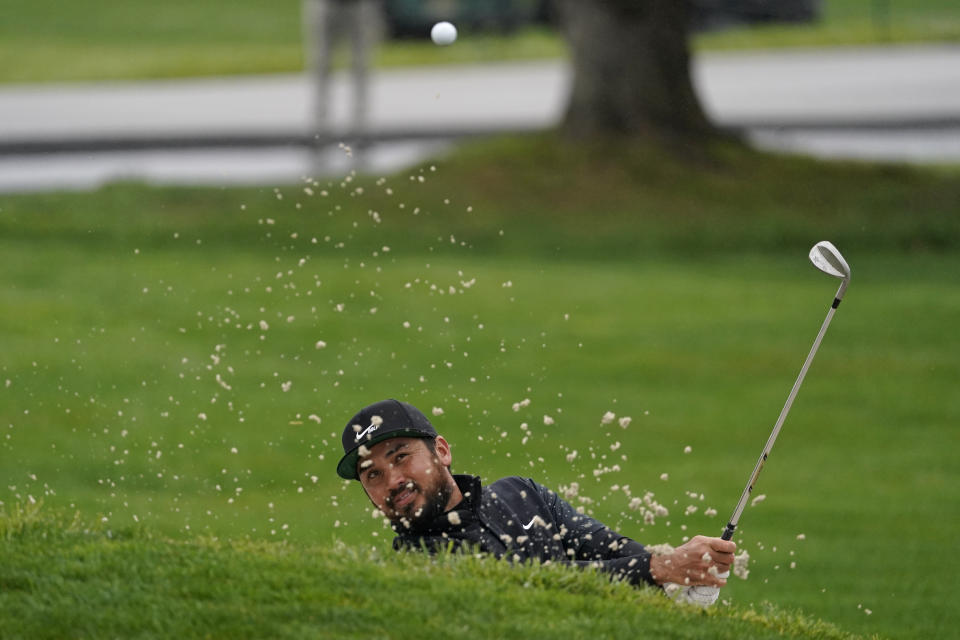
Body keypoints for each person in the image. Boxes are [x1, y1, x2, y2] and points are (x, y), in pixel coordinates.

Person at [337, 399, 736, 602]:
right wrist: (659, 568)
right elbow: (538, 594)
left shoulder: (519, 494)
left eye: (400, 457)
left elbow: (615, 551)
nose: (393, 481)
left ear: (441, 451)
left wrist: (685, 575)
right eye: (373, 475)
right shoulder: (415, 566)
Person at [301, 0, 382, 168]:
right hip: (326, 5)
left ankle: (360, 127)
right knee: (321, 65)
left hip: (358, 6)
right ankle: (319, 128)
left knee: (361, 66)